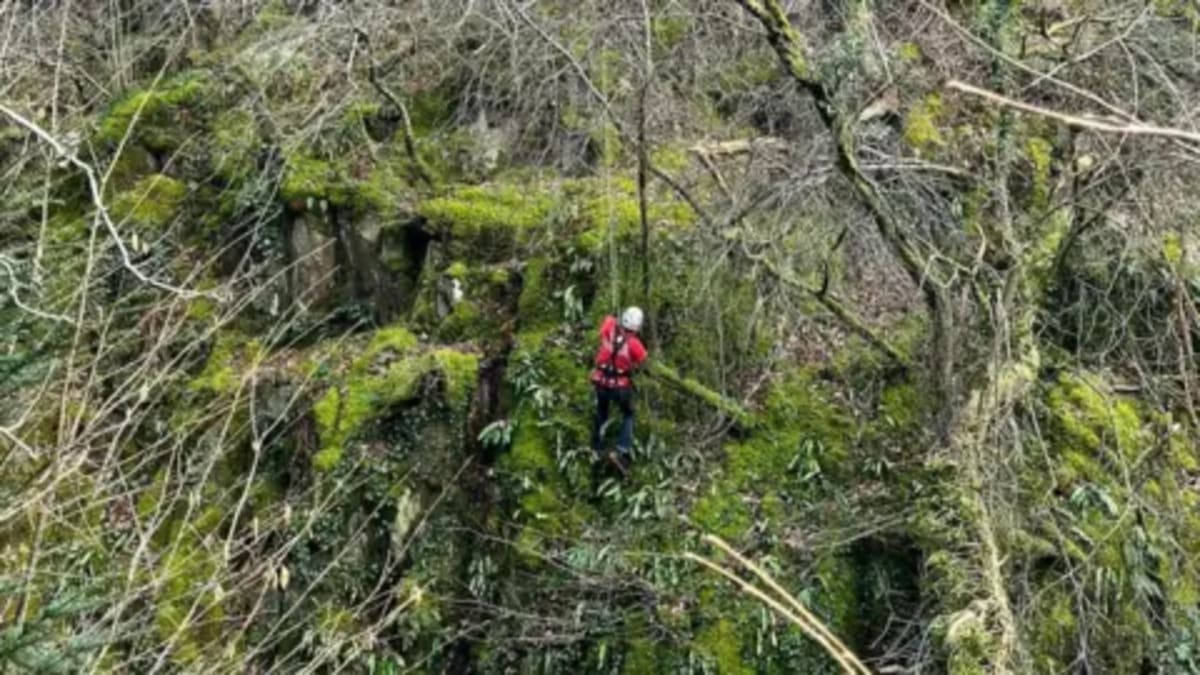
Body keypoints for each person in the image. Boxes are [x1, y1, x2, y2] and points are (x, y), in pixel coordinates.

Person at [590, 306, 648, 475]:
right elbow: (643, 359)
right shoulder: (635, 344)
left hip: (601, 382)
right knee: (628, 414)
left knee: (601, 411)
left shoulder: (609, 327)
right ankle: (621, 450)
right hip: (620, 387)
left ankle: (597, 445)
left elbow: (607, 321)